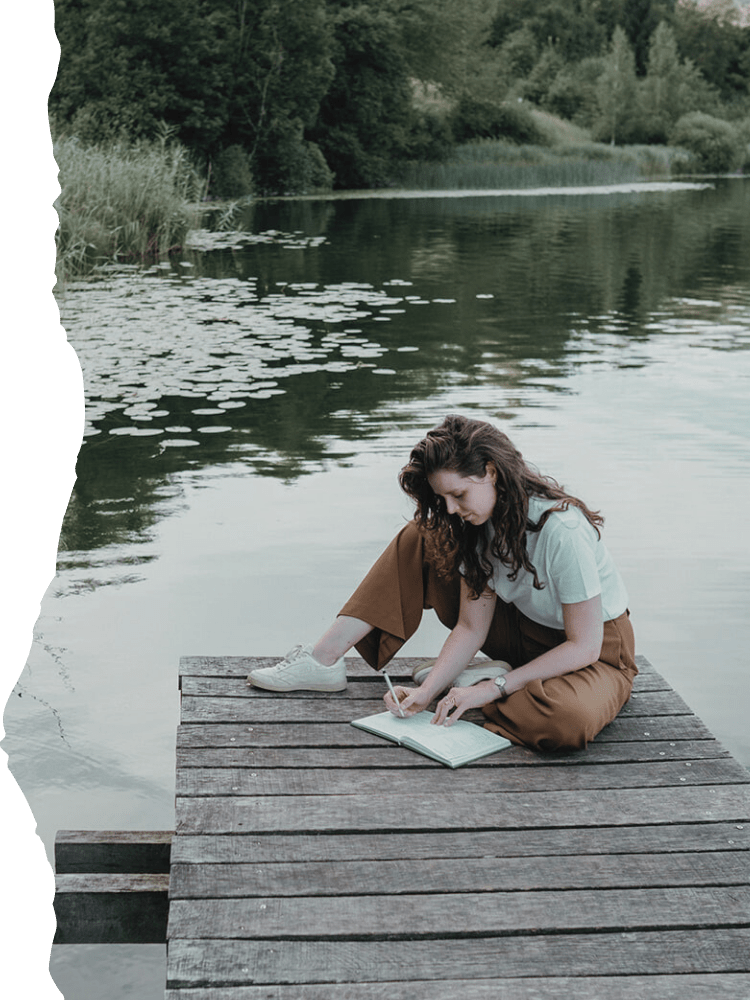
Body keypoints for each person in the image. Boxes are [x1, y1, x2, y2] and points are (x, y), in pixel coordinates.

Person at [247, 415, 637, 752]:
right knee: (424, 534)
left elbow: (584, 646)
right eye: (443, 497)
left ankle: (488, 681)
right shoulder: (475, 526)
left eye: (458, 494)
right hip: (522, 634)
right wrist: (427, 693)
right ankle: (324, 658)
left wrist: (491, 688)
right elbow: (471, 626)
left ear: (491, 471)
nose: (451, 508)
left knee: (564, 722)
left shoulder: (561, 530)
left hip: (595, 654)